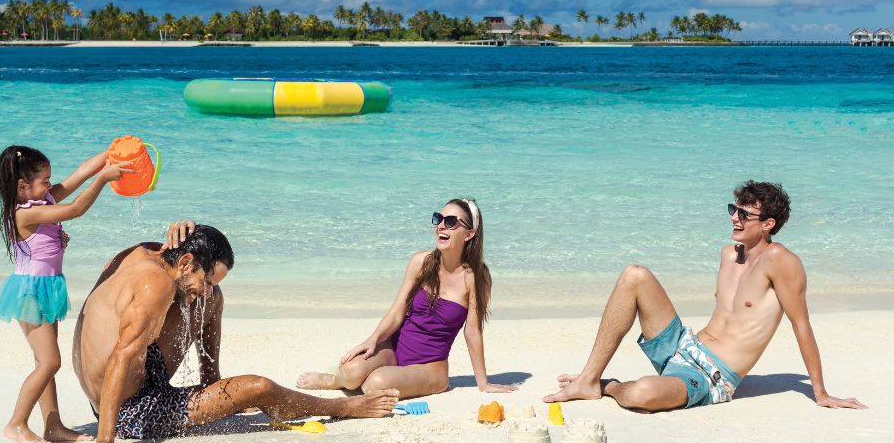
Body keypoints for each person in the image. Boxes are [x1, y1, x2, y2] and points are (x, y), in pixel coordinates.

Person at [542, 181, 867, 412]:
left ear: (768, 224)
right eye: (733, 209)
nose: (734, 218)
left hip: (709, 376)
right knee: (634, 275)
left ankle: (608, 385)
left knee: (640, 394)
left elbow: (801, 325)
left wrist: (821, 393)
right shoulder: (728, 255)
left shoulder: (781, 261)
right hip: (684, 346)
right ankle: (588, 379)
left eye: (744, 215)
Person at [72, 222, 399, 443]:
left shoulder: (142, 254)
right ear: (186, 261)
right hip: (129, 409)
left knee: (212, 301)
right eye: (206, 279)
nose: (205, 290)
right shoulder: (155, 286)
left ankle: (210, 382)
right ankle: (344, 408)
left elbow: (126, 341)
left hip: (118, 391)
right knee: (259, 387)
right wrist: (106, 439)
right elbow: (122, 355)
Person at [296, 198, 516, 398]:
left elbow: (472, 331)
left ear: (469, 234)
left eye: (451, 222)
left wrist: (483, 383)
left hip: (431, 367)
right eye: (439, 219)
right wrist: (372, 340)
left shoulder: (476, 277)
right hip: (395, 348)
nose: (440, 225)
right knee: (351, 371)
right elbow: (396, 312)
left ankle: (367, 378)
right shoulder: (421, 262)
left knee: (375, 384)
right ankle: (334, 380)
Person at [0, 145, 131, 443]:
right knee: (50, 362)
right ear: (23, 187)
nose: (51, 184)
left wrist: (110, 152)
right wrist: (104, 179)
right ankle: (16, 423)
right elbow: (76, 209)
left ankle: (53, 427)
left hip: (48, 287)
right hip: (31, 292)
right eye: (45, 180)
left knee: (45, 361)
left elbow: (79, 173)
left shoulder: (42, 198)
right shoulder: (28, 213)